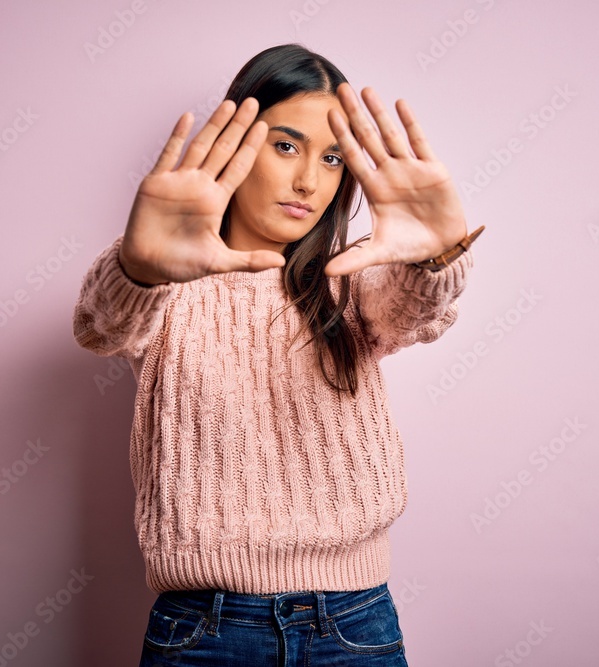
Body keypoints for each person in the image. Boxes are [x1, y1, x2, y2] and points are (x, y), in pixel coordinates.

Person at [73, 43, 484, 667]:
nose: (308, 182)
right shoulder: (164, 283)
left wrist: (436, 255)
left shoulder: (351, 279)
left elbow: (418, 308)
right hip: (203, 630)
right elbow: (101, 326)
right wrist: (138, 267)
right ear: (237, 143)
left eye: (333, 159)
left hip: (352, 622)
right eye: (286, 145)